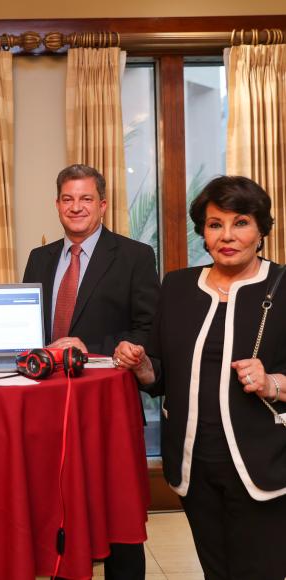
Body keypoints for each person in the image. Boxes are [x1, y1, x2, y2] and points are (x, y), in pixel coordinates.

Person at [114, 175, 286, 579]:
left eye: (241, 222)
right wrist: (140, 363)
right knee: (216, 570)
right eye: (214, 224)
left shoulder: (283, 287)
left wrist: (272, 383)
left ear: (261, 230)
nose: (227, 235)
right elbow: (159, 376)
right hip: (194, 465)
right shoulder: (177, 286)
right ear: (203, 233)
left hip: (262, 462)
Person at [23, 164, 160, 580]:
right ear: (57, 204)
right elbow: (30, 332)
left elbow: (149, 330)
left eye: (85, 199)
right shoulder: (40, 258)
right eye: (68, 199)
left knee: (116, 516)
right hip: (49, 410)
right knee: (58, 512)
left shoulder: (135, 255)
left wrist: (91, 349)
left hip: (106, 409)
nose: (76, 207)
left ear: (102, 205)